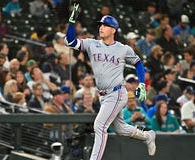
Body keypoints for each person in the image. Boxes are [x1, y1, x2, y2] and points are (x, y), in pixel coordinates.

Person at [65, 4, 156, 159]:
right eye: (101, 25)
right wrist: (72, 21)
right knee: (120, 128)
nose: (101, 28)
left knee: (100, 126)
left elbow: (138, 63)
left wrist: (141, 83)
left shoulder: (123, 48)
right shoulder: (92, 43)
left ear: (113, 30)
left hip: (117, 93)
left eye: (105, 26)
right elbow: (70, 42)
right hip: (103, 95)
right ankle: (148, 136)